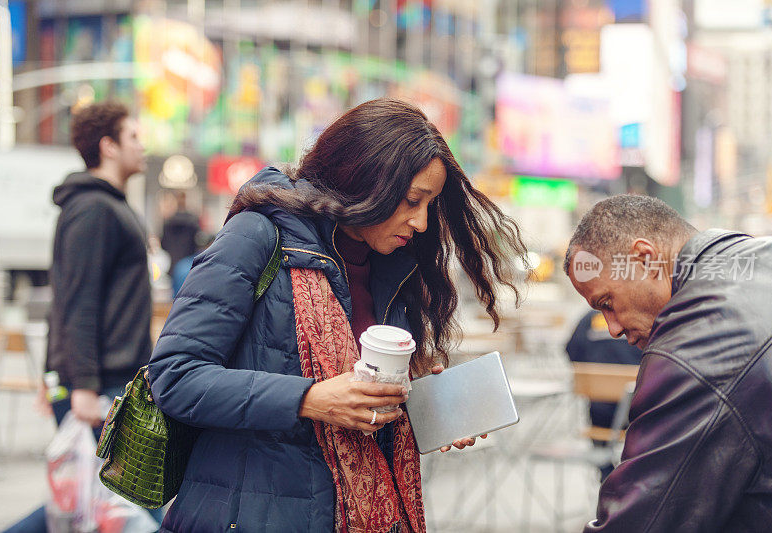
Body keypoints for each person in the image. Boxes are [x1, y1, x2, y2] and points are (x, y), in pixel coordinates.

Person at [148, 98, 529, 532]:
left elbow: (359, 393)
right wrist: (310, 399)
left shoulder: (392, 268)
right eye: (410, 200)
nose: (421, 222)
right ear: (366, 181)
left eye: (429, 205)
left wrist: (422, 402)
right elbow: (174, 376)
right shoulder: (257, 235)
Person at [563, 194, 772, 532]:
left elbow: (640, 521)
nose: (611, 328)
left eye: (607, 302)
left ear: (646, 259)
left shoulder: (695, 342)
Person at [3, 101, 158, 532]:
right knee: (102, 499)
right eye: (133, 137)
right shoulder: (93, 209)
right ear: (108, 146)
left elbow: (68, 297)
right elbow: (78, 301)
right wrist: (82, 386)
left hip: (102, 378)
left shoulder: (104, 206)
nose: (142, 146)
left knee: (90, 498)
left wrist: (59, 371)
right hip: (99, 382)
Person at [565, 309, 642, 480]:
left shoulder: (589, 319)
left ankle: (606, 474)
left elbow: (571, 351)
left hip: (600, 418)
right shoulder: (640, 317)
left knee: (598, 404)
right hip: (639, 414)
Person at [160, 190, 201, 272]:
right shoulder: (193, 222)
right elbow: (198, 243)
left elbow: (163, 244)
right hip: (189, 266)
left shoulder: (167, 223)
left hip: (172, 266)